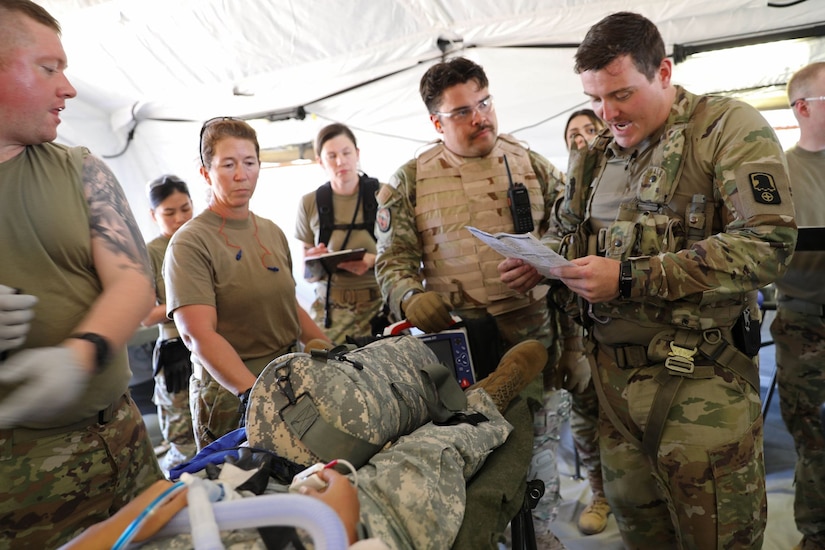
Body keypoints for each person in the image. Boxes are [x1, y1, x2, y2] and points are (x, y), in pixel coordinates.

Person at [500, 11, 797, 549]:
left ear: (662, 72)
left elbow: (768, 246)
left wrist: (632, 278)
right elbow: (568, 235)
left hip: (701, 390)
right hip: (614, 394)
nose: (607, 113)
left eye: (621, 95)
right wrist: (540, 263)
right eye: (595, 98)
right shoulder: (592, 158)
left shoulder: (728, 128)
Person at [374, 56, 569, 541]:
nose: (480, 117)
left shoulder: (532, 164)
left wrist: (545, 261)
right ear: (436, 122)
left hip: (537, 338)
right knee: (476, 467)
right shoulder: (409, 182)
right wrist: (409, 297)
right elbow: (391, 263)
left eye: (484, 103)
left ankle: (539, 539)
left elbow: (574, 233)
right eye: (463, 111)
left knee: (539, 460)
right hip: (464, 355)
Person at [0, 1, 163, 547]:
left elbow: (132, 278)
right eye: (49, 68)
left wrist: (80, 353)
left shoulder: (80, 170)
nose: (68, 87)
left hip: (120, 439)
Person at [164, 117, 331, 452]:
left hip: (289, 380)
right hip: (233, 398)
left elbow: (286, 303)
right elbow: (198, 334)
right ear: (205, 173)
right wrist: (254, 394)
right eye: (228, 164)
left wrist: (324, 347)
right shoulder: (190, 243)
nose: (241, 174)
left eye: (249, 162)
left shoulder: (271, 231)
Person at [770, 61, 825, 550]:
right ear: (804, 107)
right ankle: (815, 531)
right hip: (805, 323)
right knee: (813, 439)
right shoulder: (779, 176)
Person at [554, 108, 612, 535]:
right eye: (573, 134)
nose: (581, 139)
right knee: (584, 415)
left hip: (624, 324)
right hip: (578, 326)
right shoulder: (564, 196)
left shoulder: (624, 185)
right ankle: (600, 492)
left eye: (589, 130)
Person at [295, 123, 385, 343]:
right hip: (331, 316)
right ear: (320, 161)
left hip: (380, 311)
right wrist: (315, 260)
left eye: (346, 153)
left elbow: (407, 258)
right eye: (331, 156)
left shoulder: (383, 194)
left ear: (357, 154)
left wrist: (372, 261)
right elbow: (307, 275)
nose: (340, 161)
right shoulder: (310, 203)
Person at [142, 174, 197, 472]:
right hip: (176, 351)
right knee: (182, 440)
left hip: (214, 343)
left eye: (186, 209)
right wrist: (191, 302)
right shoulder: (149, 253)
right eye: (169, 212)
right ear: (154, 215)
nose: (180, 218)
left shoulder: (205, 238)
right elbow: (147, 315)